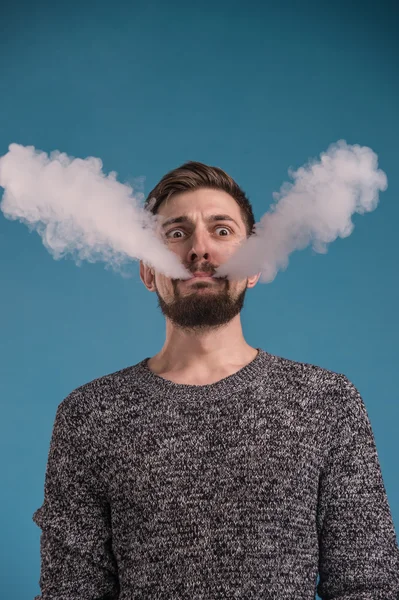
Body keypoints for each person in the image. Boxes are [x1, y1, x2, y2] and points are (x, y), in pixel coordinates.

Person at [32, 161, 399, 599]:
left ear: (255, 262)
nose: (199, 251)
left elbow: (369, 585)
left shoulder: (327, 401)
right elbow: (70, 593)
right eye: (175, 233)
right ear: (148, 270)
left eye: (222, 232)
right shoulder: (89, 414)